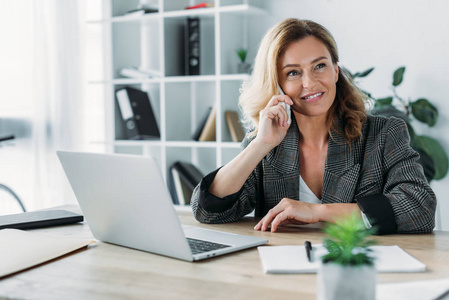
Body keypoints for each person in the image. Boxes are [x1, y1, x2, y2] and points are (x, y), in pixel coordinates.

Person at [190, 18, 436, 235]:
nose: (310, 83)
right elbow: (208, 211)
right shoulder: (266, 140)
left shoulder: (383, 134)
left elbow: (419, 208)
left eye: (320, 66)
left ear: (336, 71)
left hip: (355, 266)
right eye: (293, 73)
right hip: (280, 271)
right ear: (277, 84)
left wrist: (318, 212)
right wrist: (261, 145)